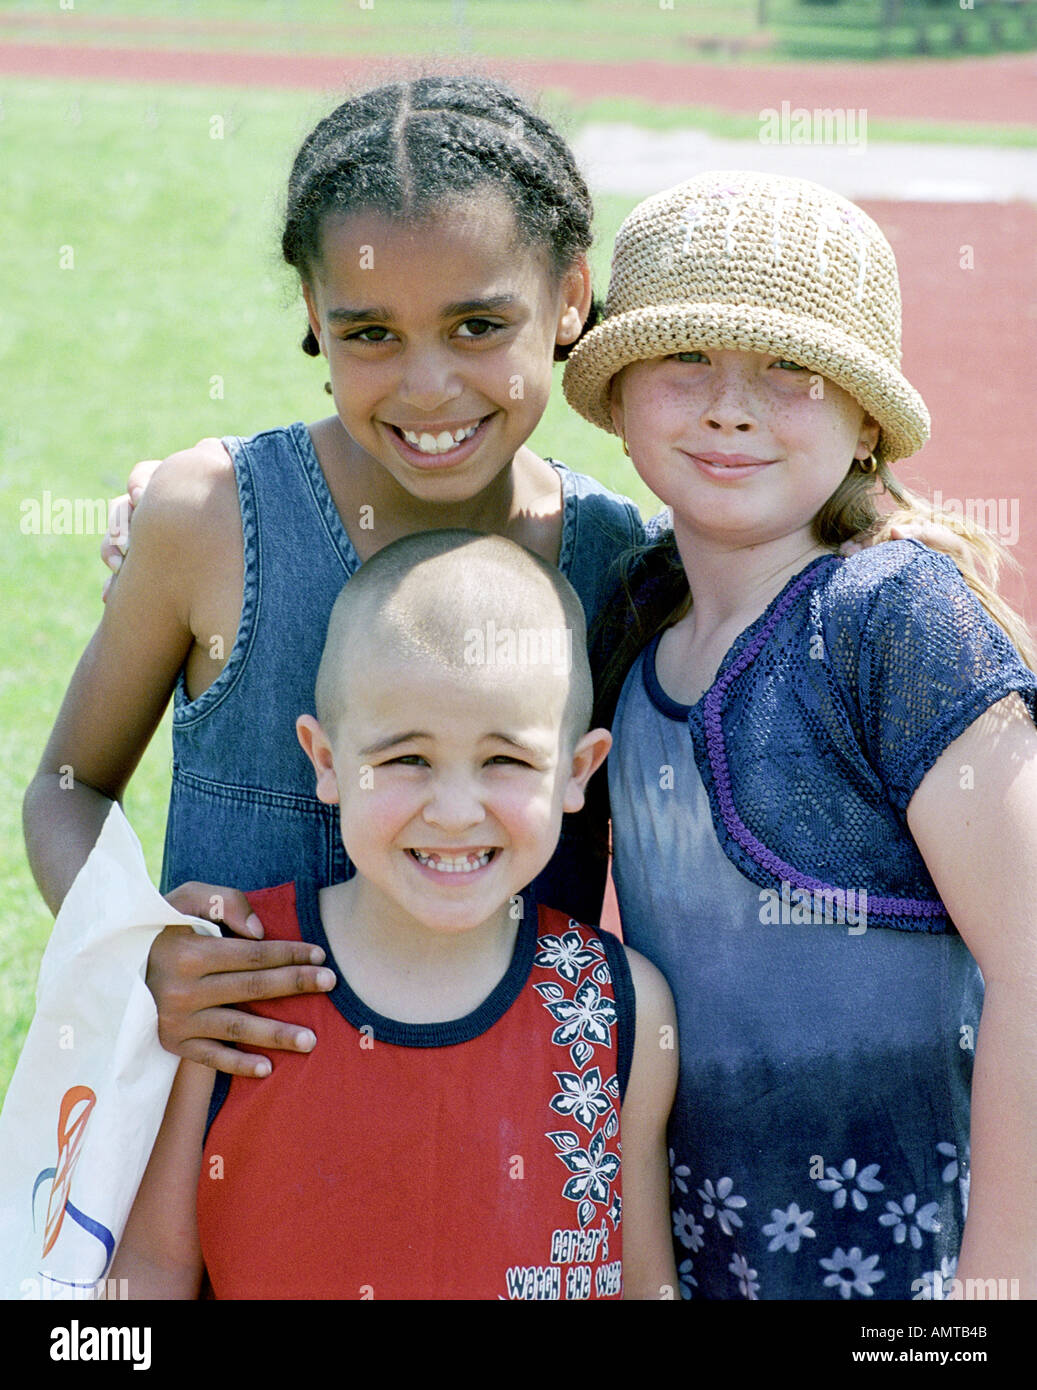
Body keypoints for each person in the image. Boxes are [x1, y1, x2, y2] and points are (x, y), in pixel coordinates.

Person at [23, 75, 652, 1080]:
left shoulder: (622, 565)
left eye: (477, 327)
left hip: (506, 1167)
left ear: (569, 295)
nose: (427, 384)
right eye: (370, 334)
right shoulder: (211, 519)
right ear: (315, 312)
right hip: (232, 1156)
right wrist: (139, 944)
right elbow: (67, 788)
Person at [561, 170, 1037, 1300]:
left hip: (909, 1271)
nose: (730, 407)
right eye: (685, 361)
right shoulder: (632, 607)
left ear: (867, 419)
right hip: (708, 1253)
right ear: (618, 394)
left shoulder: (890, 616)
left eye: (790, 371)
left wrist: (996, 1290)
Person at [108, 530, 679, 1300]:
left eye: (504, 760)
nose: (452, 811)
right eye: (407, 759)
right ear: (327, 761)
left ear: (578, 772)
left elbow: (643, 1284)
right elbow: (150, 1270)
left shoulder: (620, 1006)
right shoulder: (233, 976)